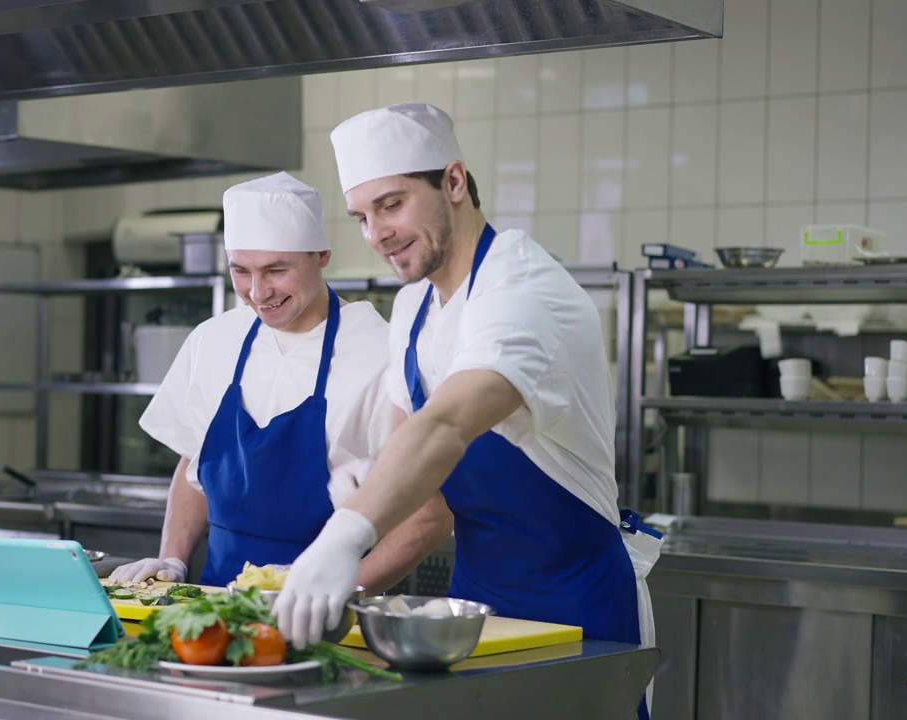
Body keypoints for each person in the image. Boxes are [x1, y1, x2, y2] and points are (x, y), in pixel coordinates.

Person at [272, 103, 661, 717]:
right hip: (473, 612)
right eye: (362, 217)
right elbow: (426, 498)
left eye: (392, 204)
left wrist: (343, 536)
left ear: (454, 182)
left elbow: (449, 424)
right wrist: (366, 493)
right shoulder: (414, 310)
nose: (377, 235)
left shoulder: (524, 289)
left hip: (578, 609)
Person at [110, 171, 452, 591]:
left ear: (321, 256)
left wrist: (335, 590)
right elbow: (194, 466)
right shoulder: (214, 340)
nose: (257, 292)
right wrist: (172, 559)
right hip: (215, 609)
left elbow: (429, 517)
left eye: (276, 269)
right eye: (240, 270)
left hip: (329, 620)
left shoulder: (381, 354)